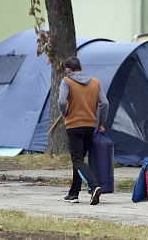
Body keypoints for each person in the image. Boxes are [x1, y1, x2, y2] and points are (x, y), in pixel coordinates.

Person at [58, 56, 109, 205]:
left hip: (74, 126)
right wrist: (101, 122)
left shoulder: (66, 81)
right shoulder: (96, 82)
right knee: (79, 159)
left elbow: (61, 101)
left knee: (77, 160)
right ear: (81, 67)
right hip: (90, 126)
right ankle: (73, 193)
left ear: (68, 70)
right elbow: (104, 103)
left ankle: (94, 186)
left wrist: (65, 113)